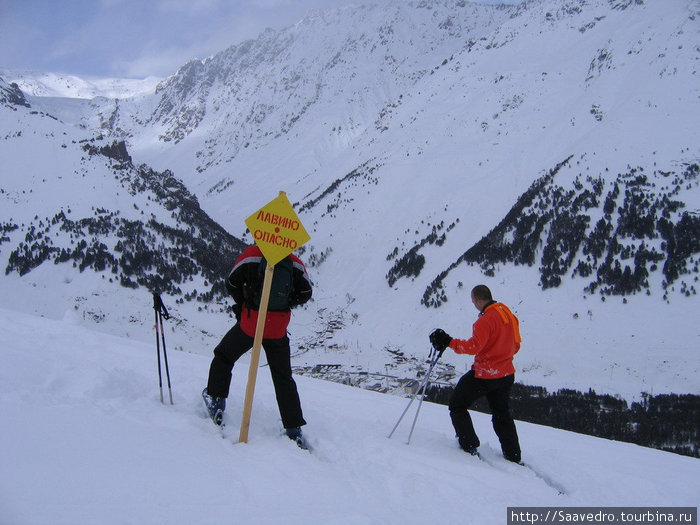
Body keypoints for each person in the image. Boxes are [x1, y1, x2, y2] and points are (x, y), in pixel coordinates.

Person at [203, 244, 313, 444]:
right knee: (283, 377)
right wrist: (287, 303)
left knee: (224, 355)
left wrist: (244, 303)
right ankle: (293, 428)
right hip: (277, 328)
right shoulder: (293, 262)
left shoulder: (253, 254)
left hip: (251, 323)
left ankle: (216, 401)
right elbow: (306, 292)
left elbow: (232, 282)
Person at [430, 284, 522, 463]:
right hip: (506, 374)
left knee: (457, 404)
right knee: (502, 414)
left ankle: (469, 445)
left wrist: (449, 341)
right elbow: (516, 345)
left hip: (485, 375)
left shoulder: (485, 321)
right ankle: (513, 455)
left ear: (479, 300)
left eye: (473, 301)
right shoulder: (509, 315)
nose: (473, 304)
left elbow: (473, 347)